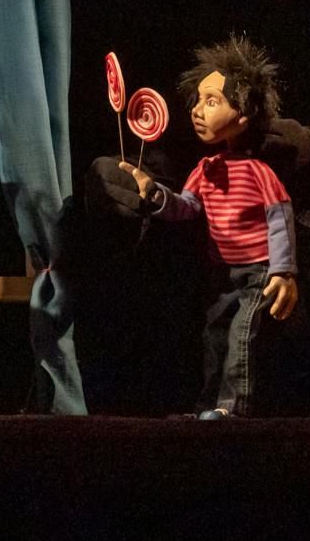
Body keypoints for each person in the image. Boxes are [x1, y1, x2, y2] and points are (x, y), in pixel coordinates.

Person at [115, 36, 299, 419]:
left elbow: (279, 218)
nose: (198, 110)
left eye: (211, 101)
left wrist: (283, 271)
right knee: (214, 337)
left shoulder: (258, 171)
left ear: (243, 114)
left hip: (258, 274)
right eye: (198, 100)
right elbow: (187, 208)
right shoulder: (205, 169)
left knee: (241, 336)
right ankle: (208, 408)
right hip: (221, 273)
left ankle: (233, 409)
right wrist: (155, 194)